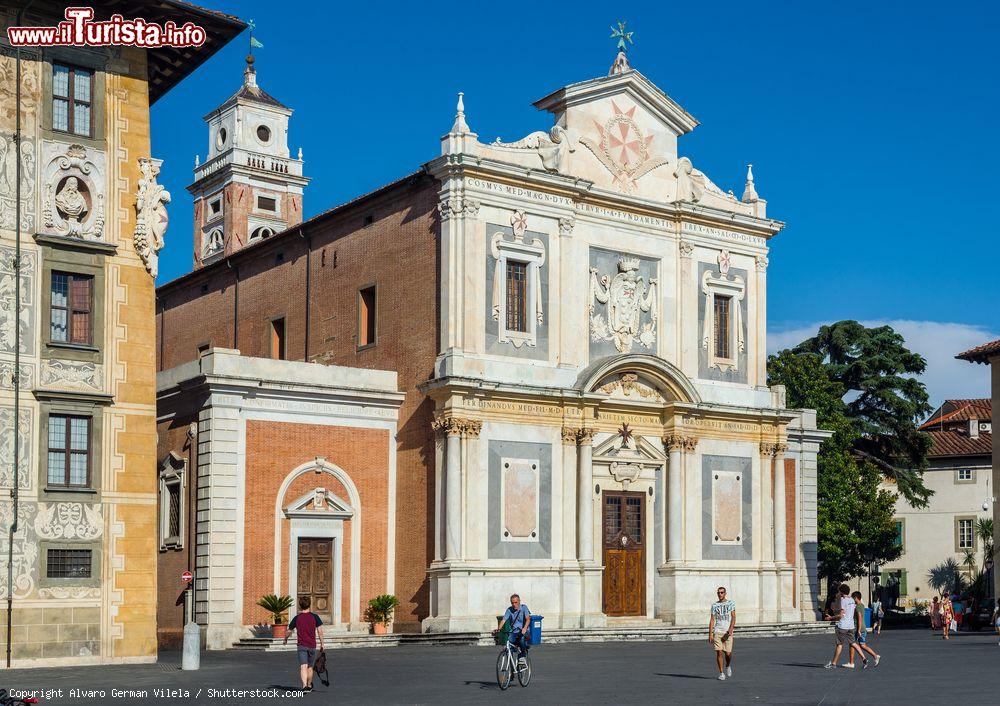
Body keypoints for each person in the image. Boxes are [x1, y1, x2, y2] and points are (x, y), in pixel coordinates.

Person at [283, 596, 325, 692]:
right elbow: (320, 631)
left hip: (301, 645)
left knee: (303, 666)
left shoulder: (297, 618)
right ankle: (309, 685)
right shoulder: (315, 617)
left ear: (300, 606)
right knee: (310, 667)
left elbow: (289, 631)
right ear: (309, 604)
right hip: (312, 645)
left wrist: (285, 639)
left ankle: (304, 685)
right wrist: (322, 643)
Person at [823, 584, 866, 669]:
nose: (838, 592)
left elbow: (841, 615)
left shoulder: (843, 600)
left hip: (843, 626)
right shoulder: (852, 600)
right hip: (851, 625)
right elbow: (847, 611)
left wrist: (830, 618)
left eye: (839, 591)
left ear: (841, 592)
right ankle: (864, 658)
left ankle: (834, 663)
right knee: (853, 643)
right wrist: (836, 610)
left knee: (839, 645)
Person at [708, 586, 736, 681]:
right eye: (718, 593)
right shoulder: (714, 605)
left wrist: (730, 630)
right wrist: (710, 634)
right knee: (719, 652)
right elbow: (712, 620)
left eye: (722, 592)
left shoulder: (731, 603)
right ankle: (721, 673)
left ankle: (728, 666)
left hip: (727, 632)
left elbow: (733, 617)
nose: (720, 594)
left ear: (725, 593)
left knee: (728, 654)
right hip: (717, 631)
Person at [496, 594, 531, 666]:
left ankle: (522, 656)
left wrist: (524, 628)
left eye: (516, 602)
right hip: (514, 631)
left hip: (523, 631)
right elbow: (503, 620)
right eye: (512, 603)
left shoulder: (524, 608)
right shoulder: (509, 610)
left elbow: (528, 619)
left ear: (519, 601)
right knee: (509, 643)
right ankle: (511, 667)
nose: (514, 604)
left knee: (521, 639)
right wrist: (499, 629)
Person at [852, 592, 881, 668]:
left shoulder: (858, 607)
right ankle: (870, 658)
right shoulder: (862, 605)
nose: (853, 600)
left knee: (858, 644)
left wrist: (858, 630)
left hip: (860, 629)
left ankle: (871, 657)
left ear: (856, 598)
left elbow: (860, 618)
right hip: (861, 628)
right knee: (860, 645)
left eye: (853, 598)